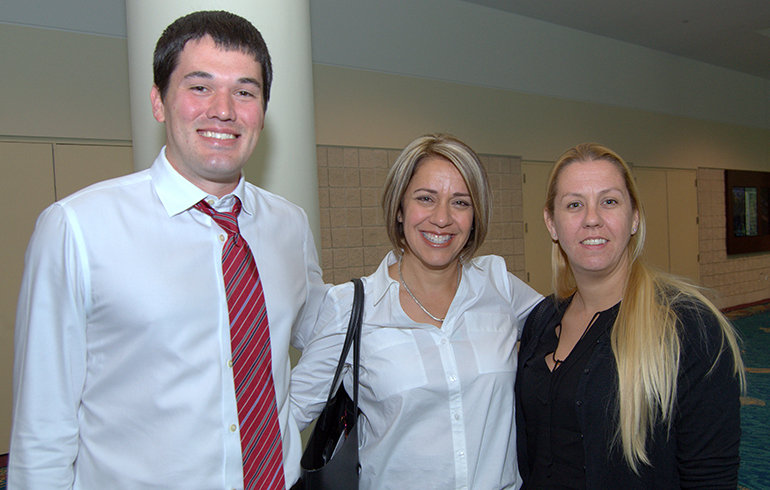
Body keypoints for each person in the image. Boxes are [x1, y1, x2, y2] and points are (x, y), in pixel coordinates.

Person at [9, 11, 327, 490]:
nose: (223, 109)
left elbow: (323, 329)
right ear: (159, 101)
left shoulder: (289, 225)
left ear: (262, 110)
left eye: (245, 91)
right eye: (199, 87)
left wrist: (286, 410)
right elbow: (42, 428)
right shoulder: (77, 229)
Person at [291, 133, 543, 489]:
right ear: (399, 208)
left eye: (460, 202)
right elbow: (286, 418)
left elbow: (569, 335)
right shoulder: (351, 306)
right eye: (426, 198)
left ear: (475, 215)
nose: (442, 219)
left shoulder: (499, 285)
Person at [515, 142, 745, 489]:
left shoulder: (687, 326)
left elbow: (710, 477)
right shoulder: (542, 320)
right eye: (574, 205)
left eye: (609, 201)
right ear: (551, 223)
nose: (592, 219)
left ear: (634, 217)